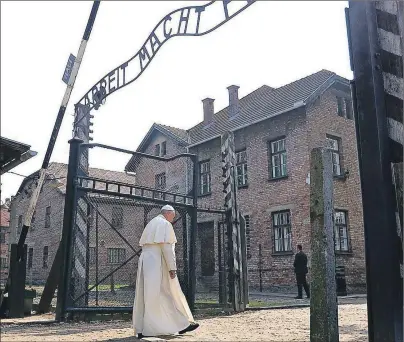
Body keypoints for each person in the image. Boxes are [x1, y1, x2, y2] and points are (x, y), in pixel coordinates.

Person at [133, 205, 199, 339]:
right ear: (168, 213)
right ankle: (181, 325)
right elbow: (167, 248)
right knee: (166, 293)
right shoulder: (164, 224)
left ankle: (141, 328)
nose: (172, 219)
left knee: (145, 296)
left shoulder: (152, 223)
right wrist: (172, 268)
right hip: (157, 262)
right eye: (173, 216)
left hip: (146, 261)